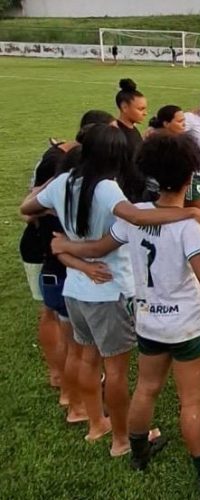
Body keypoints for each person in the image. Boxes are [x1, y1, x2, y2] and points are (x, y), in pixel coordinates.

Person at [49, 134, 200, 488]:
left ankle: (138, 453)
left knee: (146, 388)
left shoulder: (134, 214)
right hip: (188, 326)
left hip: (148, 321)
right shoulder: (189, 225)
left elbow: (99, 247)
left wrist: (65, 244)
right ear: (191, 176)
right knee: (192, 401)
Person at [20, 124, 200, 458]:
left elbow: (26, 208)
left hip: (76, 288)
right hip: (107, 287)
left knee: (85, 356)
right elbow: (136, 216)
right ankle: (122, 440)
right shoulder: (106, 187)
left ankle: (95, 423)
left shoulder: (65, 181)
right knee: (116, 369)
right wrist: (191, 212)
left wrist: (62, 233)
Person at [19, 110, 116, 419]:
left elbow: (28, 207)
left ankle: (71, 400)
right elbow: (32, 218)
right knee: (84, 350)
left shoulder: (62, 184)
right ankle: (80, 405)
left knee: (75, 346)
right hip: (67, 273)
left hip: (59, 268)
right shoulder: (80, 185)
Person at [115, 78, 148, 159]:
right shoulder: (117, 135)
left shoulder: (132, 129)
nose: (145, 113)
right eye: (140, 109)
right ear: (124, 107)